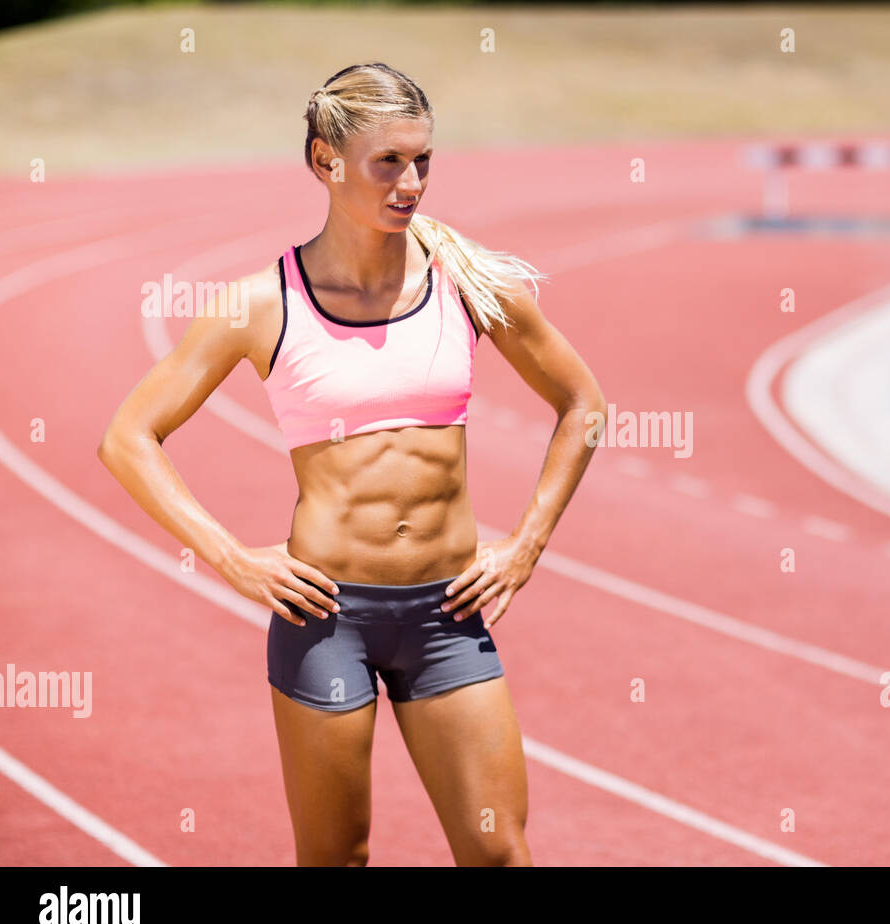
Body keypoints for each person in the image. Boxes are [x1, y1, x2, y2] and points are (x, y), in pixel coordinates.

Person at [97, 62, 607, 866]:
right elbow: (127, 437)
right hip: (326, 621)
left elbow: (584, 405)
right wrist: (231, 558)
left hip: (447, 617)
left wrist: (527, 544)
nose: (412, 183)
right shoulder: (261, 304)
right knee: (338, 858)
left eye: (423, 160)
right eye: (388, 162)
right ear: (325, 161)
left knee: (499, 852)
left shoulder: (469, 285)